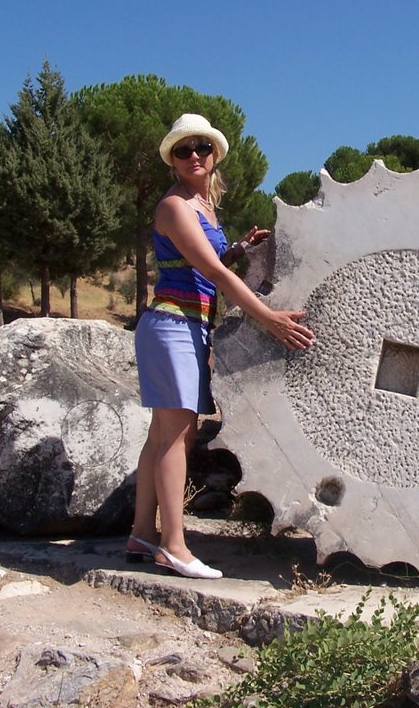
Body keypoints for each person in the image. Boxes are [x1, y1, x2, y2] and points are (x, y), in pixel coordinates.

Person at [127, 113, 315, 579]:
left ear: (214, 156)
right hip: (172, 324)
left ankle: (140, 533)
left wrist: (237, 248)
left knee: (167, 435)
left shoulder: (202, 206)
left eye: (202, 148)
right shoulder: (174, 206)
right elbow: (212, 274)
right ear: (172, 159)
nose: (194, 156)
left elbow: (204, 261)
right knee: (175, 435)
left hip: (189, 326)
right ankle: (173, 545)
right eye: (183, 150)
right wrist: (267, 317)